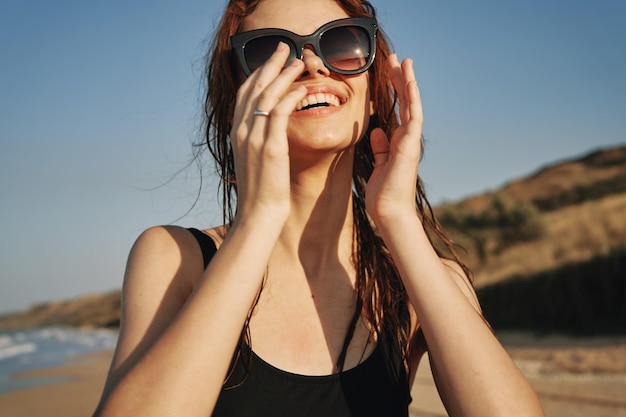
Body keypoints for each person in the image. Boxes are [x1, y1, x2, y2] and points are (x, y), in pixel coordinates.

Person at [94, 0, 545, 416]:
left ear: (372, 88)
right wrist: (257, 221)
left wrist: (400, 221)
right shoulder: (177, 260)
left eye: (343, 43)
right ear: (239, 99)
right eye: (272, 52)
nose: (311, 64)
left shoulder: (419, 281)